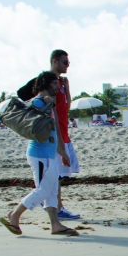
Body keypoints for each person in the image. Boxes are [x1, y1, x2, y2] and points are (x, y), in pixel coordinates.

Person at [0, 72, 78, 238]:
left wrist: (62, 152)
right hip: (39, 154)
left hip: (50, 153)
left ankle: (55, 224)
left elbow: (54, 130)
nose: (58, 87)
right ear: (46, 85)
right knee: (42, 191)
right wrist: (46, 107)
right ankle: (15, 215)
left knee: (52, 189)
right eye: (55, 84)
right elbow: (36, 127)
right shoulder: (38, 102)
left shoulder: (49, 103)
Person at [49, 50, 80, 220]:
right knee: (56, 173)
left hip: (63, 131)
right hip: (56, 134)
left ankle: (52, 202)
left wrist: (67, 87)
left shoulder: (60, 83)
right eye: (65, 62)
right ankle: (55, 205)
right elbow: (51, 110)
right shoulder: (50, 83)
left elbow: (67, 106)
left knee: (59, 173)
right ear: (55, 62)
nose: (67, 65)